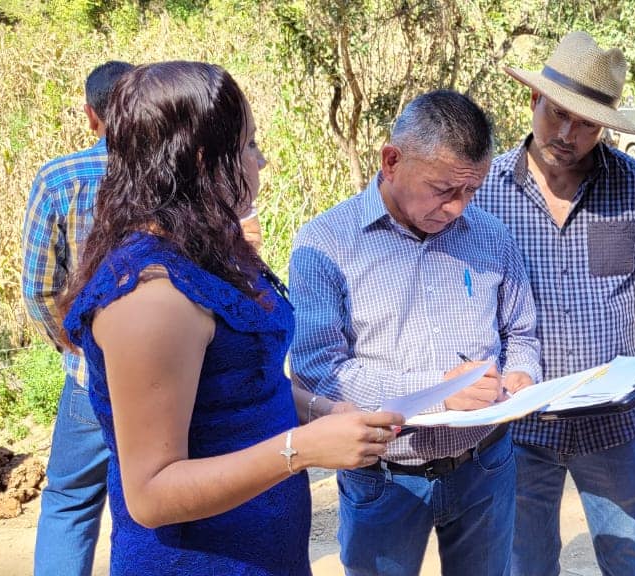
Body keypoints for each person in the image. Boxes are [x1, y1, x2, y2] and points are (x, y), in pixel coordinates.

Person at [59, 61, 402, 575]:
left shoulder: (205, 251)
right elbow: (151, 493)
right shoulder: (151, 297)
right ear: (201, 161)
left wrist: (320, 412)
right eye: (247, 145)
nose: (260, 161)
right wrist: (300, 449)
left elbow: (241, 386)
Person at [475, 31, 635, 576]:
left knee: (629, 556)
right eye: (557, 113)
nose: (566, 134)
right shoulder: (485, 193)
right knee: (523, 563)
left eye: (585, 123)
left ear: (604, 126)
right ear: (533, 101)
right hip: (518, 425)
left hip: (615, 426)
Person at [289, 89, 542, 576]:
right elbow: (319, 372)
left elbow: (522, 334)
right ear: (391, 160)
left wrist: (521, 378)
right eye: (444, 189)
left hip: (485, 466)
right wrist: (441, 392)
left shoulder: (492, 236)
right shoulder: (325, 244)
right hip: (383, 477)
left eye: (472, 191)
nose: (456, 208)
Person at [22, 59, 131, 576]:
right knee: (160, 496)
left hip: (91, 374)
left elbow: (39, 287)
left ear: (92, 116)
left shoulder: (58, 178)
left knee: (70, 500)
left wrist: (74, 344)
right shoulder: (178, 175)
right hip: (177, 379)